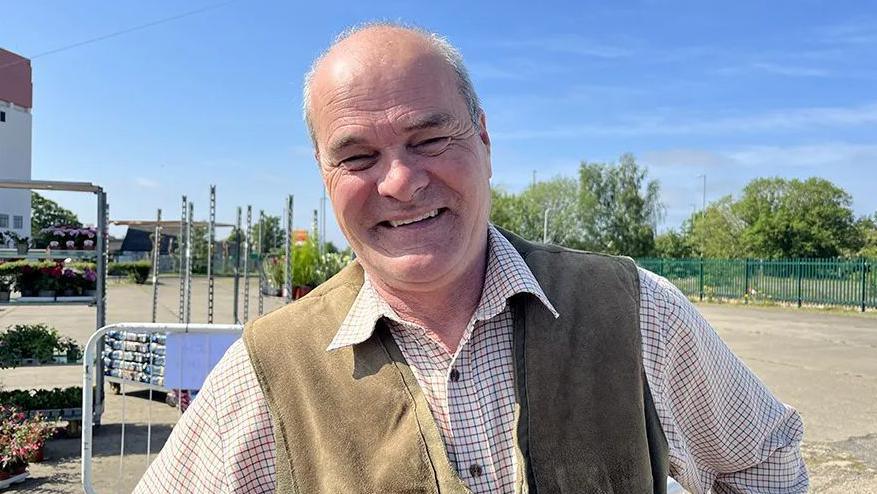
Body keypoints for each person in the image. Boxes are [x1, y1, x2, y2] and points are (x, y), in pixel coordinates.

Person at [135, 23, 808, 493]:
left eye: (428, 140)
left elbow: (762, 458)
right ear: (324, 174)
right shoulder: (269, 368)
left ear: (483, 139)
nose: (399, 182)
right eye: (358, 157)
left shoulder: (632, 312)